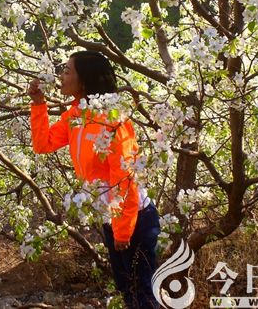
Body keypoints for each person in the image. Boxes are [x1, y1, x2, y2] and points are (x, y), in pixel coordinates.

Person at [27, 50, 161, 309]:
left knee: (141, 293)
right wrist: (38, 104)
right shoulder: (76, 115)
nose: (61, 76)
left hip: (134, 220)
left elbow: (124, 176)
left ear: (84, 82)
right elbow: (43, 144)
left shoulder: (113, 120)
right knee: (128, 290)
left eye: (67, 71)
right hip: (113, 218)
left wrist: (123, 229)